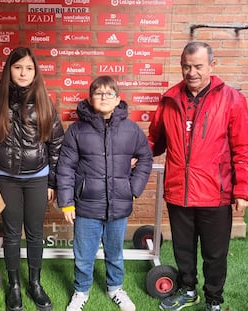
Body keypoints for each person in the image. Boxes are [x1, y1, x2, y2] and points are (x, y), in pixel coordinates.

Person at [148, 41, 248, 311]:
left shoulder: (232, 99)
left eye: (198, 66)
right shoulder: (170, 99)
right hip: (178, 192)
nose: (192, 72)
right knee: (183, 250)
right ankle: (187, 290)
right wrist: (134, 154)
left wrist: (244, 189)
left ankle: (213, 301)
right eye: (186, 66)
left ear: (212, 65)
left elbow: (244, 148)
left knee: (214, 254)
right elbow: (155, 141)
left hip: (215, 194)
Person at [56, 75, 153, 311]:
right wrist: (67, 203)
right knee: (83, 254)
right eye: (98, 93)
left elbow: (145, 158)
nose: (104, 97)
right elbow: (65, 167)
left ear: (118, 99)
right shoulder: (77, 130)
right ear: (90, 99)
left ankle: (115, 288)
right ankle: (81, 291)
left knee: (115, 252)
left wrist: (133, 189)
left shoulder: (131, 129)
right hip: (86, 206)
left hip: (118, 206)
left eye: (109, 93)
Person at [0, 47, 64, 311]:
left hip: (37, 178)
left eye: (28, 68)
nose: (23, 72)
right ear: (9, 69)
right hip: (6, 178)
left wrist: (52, 181)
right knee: (10, 233)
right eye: (18, 67)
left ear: (35, 71)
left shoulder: (44, 99)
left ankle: (35, 284)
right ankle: (15, 286)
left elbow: (56, 144)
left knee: (34, 232)